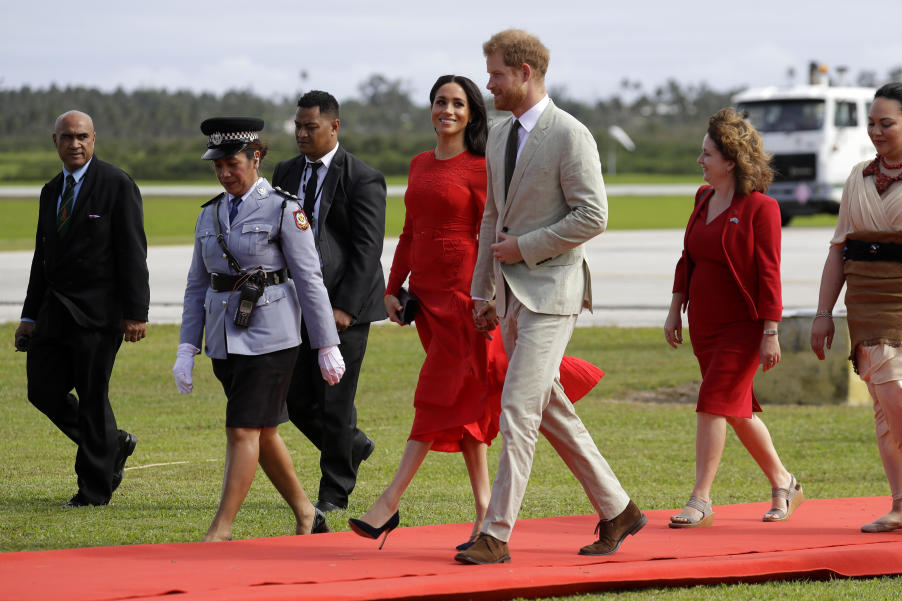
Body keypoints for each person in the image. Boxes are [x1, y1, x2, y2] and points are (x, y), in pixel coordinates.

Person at [347, 74, 605, 550]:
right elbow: (409, 231)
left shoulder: (481, 164)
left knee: (436, 392)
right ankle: (486, 512)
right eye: (440, 102)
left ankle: (389, 501)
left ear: (471, 114)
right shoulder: (420, 164)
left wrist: (487, 293)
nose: (447, 110)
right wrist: (392, 286)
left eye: (458, 103)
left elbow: (493, 230)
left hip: (467, 299)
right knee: (464, 398)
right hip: (426, 301)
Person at [456, 30, 645, 565]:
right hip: (511, 295)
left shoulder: (570, 134)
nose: (487, 84)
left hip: (553, 290)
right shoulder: (496, 134)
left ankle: (496, 534)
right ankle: (619, 510)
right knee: (549, 407)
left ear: (524, 73)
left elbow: (593, 215)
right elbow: (493, 216)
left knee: (517, 406)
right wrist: (482, 289)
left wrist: (525, 249)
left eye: (494, 74)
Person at [173, 117, 346, 541]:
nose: (225, 173)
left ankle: (222, 529)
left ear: (255, 158)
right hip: (224, 339)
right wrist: (185, 346)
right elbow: (198, 284)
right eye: (218, 166)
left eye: (232, 163)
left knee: (242, 428)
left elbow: (309, 280)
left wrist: (326, 343)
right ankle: (308, 514)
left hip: (271, 338)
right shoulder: (210, 213)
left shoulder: (284, 209)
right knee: (263, 430)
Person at [810, 83, 902, 533]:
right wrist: (823, 313)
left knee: (900, 391)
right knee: (883, 404)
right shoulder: (857, 176)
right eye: (871, 123)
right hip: (866, 301)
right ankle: (901, 501)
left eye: (886, 123)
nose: (875, 131)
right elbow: (839, 250)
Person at [663, 107, 802, 528]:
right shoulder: (703, 197)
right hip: (704, 321)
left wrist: (771, 330)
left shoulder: (762, 208)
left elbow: (768, 272)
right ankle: (784, 482)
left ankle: (700, 498)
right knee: (736, 410)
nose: (700, 161)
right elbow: (688, 257)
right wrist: (674, 308)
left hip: (744, 325)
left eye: (707, 154)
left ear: (731, 160)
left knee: (713, 402)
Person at [15, 110, 148, 508]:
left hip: (99, 314)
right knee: (42, 391)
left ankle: (93, 490)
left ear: (94, 139)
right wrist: (28, 316)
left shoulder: (116, 184)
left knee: (92, 398)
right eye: (67, 137)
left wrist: (136, 312)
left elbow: (132, 251)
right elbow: (42, 258)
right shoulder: (50, 190)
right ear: (55, 141)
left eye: (82, 136)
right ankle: (114, 443)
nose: (75, 143)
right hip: (54, 312)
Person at [272, 90, 385, 513]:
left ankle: (334, 492)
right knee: (297, 400)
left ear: (334, 127)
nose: (301, 134)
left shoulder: (362, 177)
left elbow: (367, 249)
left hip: (345, 309)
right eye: (298, 127)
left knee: (336, 401)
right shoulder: (285, 171)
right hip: (299, 303)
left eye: (310, 127)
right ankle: (352, 446)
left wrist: (345, 309)